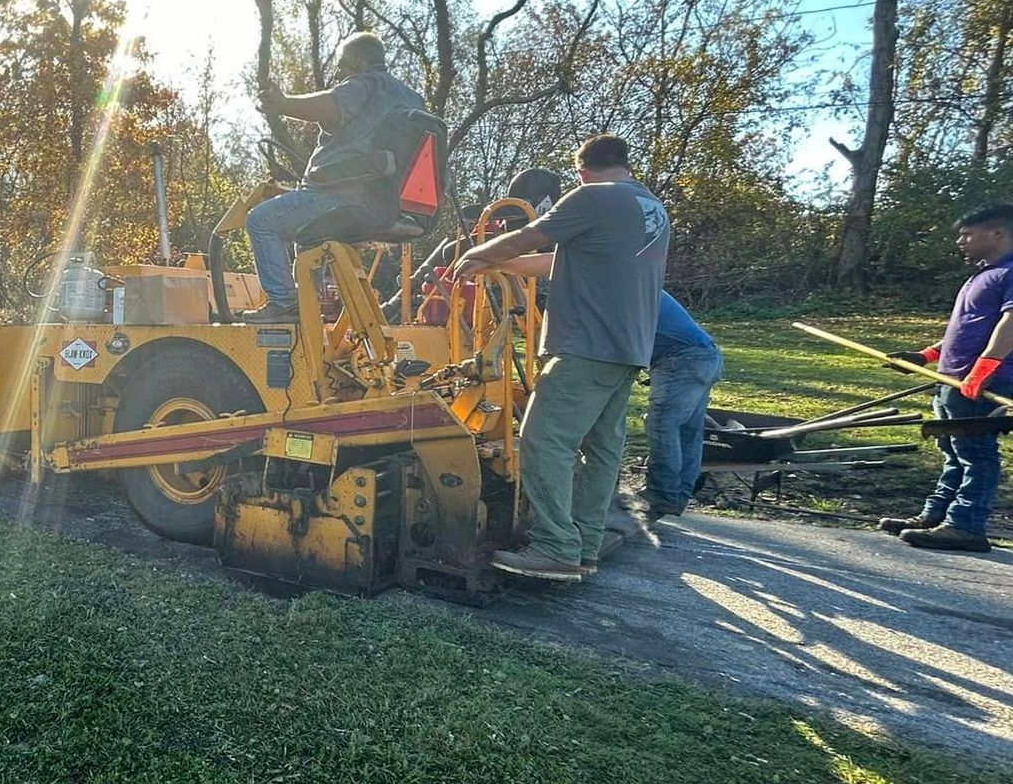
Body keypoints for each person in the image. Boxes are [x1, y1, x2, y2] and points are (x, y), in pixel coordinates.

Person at [452, 135, 671, 581]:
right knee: (600, 449)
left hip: (585, 346)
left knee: (542, 440)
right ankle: (586, 543)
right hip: (626, 348)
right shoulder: (650, 209)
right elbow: (561, 261)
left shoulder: (593, 195)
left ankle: (555, 546)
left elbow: (531, 236)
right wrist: (501, 267)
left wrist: (478, 253)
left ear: (582, 171)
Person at [878, 203, 1013, 553]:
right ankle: (937, 516)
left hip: (985, 381)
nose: (961, 241)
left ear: (997, 233)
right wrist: (927, 356)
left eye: (967, 234)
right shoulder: (983, 272)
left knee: (976, 452)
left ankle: (966, 526)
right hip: (954, 379)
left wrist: (983, 370)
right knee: (952, 449)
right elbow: (967, 328)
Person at [246, 32, 428, 323]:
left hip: (343, 196)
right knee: (307, 240)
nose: (340, 70)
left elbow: (331, 105)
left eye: (343, 64)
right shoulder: (412, 99)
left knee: (261, 221)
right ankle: (310, 305)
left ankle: (283, 304)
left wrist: (283, 104)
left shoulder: (366, 85)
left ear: (357, 60)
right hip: (392, 205)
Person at [639, 292, 722, 521]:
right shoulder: (646, 284)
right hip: (707, 356)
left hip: (682, 360)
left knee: (661, 425)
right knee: (688, 431)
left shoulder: (625, 289)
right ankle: (679, 496)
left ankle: (661, 495)